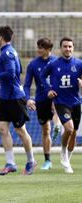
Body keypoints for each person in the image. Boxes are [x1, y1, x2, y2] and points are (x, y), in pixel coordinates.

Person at [0, 25, 36, 176]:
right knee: (2, 129)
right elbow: (16, 71)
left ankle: (31, 161)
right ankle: (10, 163)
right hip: (4, 97)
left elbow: (12, 73)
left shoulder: (8, 53)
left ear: (0, 37)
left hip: (14, 98)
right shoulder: (4, 53)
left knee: (20, 131)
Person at [40, 37, 82, 174]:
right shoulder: (54, 64)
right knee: (68, 129)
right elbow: (42, 76)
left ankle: (67, 161)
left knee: (74, 132)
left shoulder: (79, 64)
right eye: (65, 46)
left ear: (73, 48)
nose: (67, 49)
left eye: (70, 46)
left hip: (75, 102)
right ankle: (63, 151)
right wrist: (48, 90)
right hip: (61, 102)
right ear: (61, 48)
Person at [23, 38, 62, 170]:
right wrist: (28, 98)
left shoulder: (57, 62)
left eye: (41, 47)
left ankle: (57, 124)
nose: (38, 50)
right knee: (45, 130)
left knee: (56, 106)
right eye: (38, 47)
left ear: (48, 49)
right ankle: (47, 160)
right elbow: (27, 84)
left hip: (57, 95)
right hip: (41, 99)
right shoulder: (33, 64)